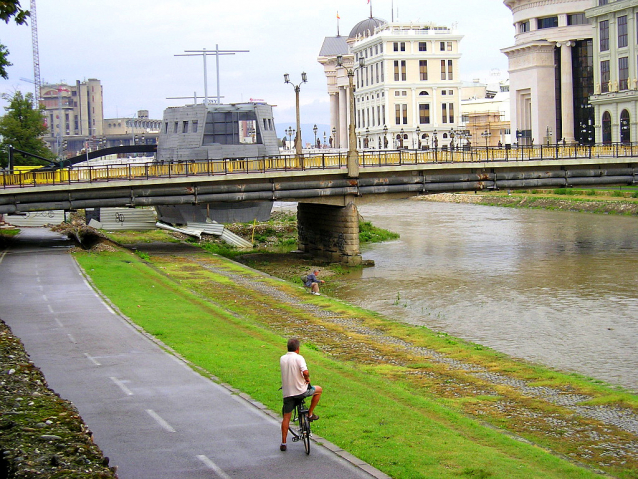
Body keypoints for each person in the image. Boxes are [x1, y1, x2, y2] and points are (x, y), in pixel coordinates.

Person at [280, 338, 322, 452]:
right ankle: (310, 413)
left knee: (286, 418)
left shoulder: (282, 359)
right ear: (298, 349)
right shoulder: (299, 358)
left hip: (288, 393)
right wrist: (307, 379)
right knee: (319, 390)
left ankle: (283, 442)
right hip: (301, 391)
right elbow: (305, 372)